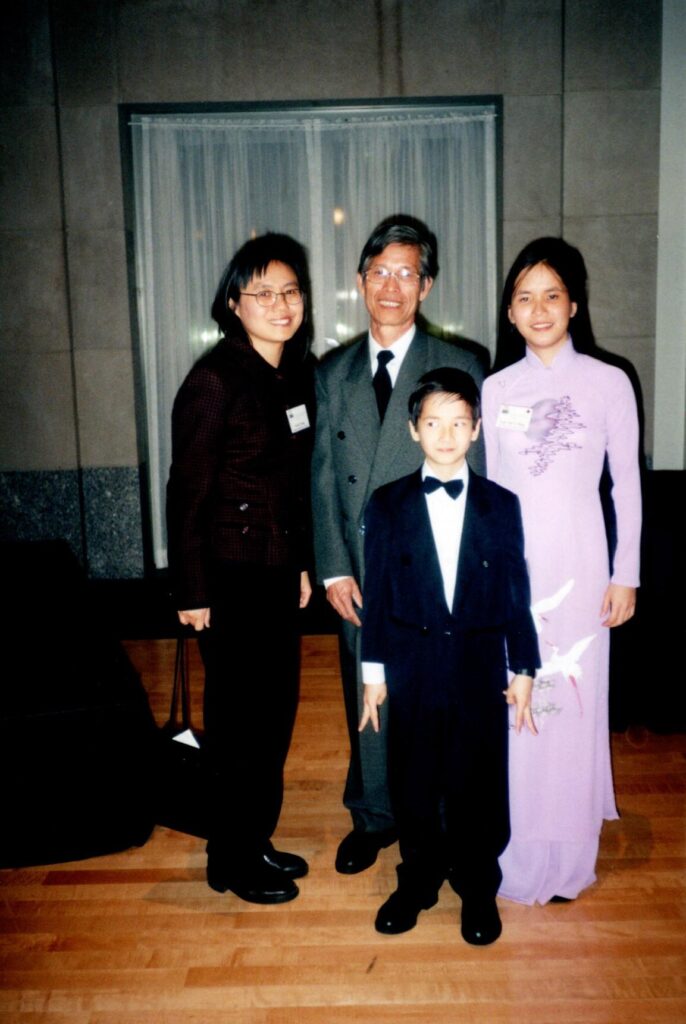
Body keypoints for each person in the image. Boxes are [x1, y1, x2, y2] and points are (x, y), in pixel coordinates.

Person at [312, 214, 486, 876]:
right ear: (360, 282)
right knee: (367, 691)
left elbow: (480, 474)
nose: (391, 286)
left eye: (406, 273)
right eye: (379, 272)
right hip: (361, 569)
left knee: (435, 694)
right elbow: (323, 477)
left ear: (427, 285)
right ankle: (374, 813)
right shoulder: (332, 372)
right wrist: (331, 568)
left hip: (434, 568)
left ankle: (439, 813)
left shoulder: (461, 364)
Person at [482, 237, 642, 905]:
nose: (539, 308)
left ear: (573, 305)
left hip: (583, 570)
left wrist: (625, 573)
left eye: (552, 295)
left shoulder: (609, 381)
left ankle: (571, 858)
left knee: (571, 706)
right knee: (523, 706)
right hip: (515, 572)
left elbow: (625, 486)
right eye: (525, 297)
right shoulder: (495, 389)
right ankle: (518, 855)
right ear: (510, 313)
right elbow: (489, 492)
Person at [359, 368, 539, 945]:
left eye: (460, 422)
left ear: (477, 428)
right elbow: (379, 594)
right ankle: (417, 880)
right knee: (413, 779)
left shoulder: (500, 505)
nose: (446, 433)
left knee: (477, 781)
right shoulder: (386, 505)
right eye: (433, 422)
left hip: (478, 669)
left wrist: (524, 668)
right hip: (411, 668)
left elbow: (517, 590)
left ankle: (478, 885)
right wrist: (373, 674)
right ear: (413, 430)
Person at [166, 233, 315, 905]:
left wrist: (304, 566)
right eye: (262, 293)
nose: (279, 305)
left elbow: (294, 482)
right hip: (228, 580)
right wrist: (191, 589)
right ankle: (229, 859)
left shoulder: (290, 373)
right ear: (233, 302)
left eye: (289, 291)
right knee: (237, 725)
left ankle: (253, 836)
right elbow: (188, 490)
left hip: (278, 575)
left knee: (274, 714)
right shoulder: (215, 379)